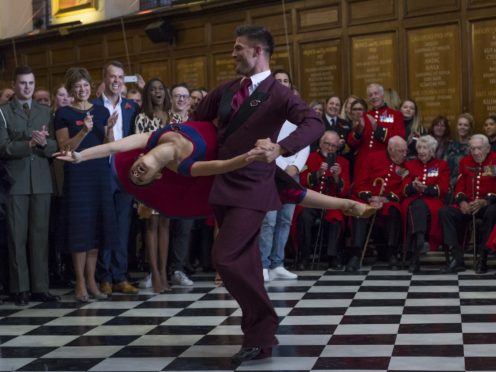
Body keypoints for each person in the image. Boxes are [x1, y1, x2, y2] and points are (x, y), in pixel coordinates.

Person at [192, 24, 325, 363]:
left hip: (254, 186)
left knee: (225, 258)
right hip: (222, 183)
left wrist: (280, 148)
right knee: (247, 263)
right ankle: (259, 339)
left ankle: (264, 320)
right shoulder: (225, 90)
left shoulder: (279, 94)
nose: (233, 53)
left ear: (257, 52)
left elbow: (314, 123)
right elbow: (195, 122)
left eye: (238, 48)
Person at [54, 67, 118, 302]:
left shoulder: (100, 111)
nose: (82, 89)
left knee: (97, 227)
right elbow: (64, 148)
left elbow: (107, 144)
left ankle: (92, 280)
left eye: (86, 85)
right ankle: (80, 282)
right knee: (80, 229)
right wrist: (83, 131)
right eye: (77, 86)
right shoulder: (63, 113)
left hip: (99, 173)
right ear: (71, 89)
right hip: (78, 174)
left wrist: (109, 129)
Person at [0, 66, 59, 306]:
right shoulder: (3, 112)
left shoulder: (46, 111)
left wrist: (44, 144)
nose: (27, 87)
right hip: (16, 182)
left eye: (31, 83)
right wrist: (29, 144)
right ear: (14, 85)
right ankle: (20, 288)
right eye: (23, 83)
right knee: (17, 238)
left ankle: (40, 287)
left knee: (39, 237)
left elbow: (56, 147)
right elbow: (3, 148)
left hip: (42, 182)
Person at [93, 60, 139, 296]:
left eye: (120, 78)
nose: (117, 81)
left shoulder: (131, 107)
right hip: (101, 174)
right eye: (112, 77)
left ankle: (120, 276)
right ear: (104, 78)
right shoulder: (93, 107)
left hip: (124, 174)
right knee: (104, 227)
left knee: (122, 227)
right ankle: (104, 277)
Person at [259, 69, 309, 282]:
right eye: (277, 80)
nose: (281, 83)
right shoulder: (263, 109)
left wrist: (296, 167)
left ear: (290, 85)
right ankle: (262, 264)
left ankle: (277, 264)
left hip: (291, 172)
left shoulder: (296, 110)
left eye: (285, 81)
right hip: (270, 171)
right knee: (268, 220)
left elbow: (304, 140)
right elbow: (264, 142)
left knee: (285, 219)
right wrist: (279, 165)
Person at [133, 78, 173, 293]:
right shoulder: (142, 118)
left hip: (170, 176)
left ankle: (164, 271)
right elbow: (140, 146)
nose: (157, 92)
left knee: (165, 224)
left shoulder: (173, 117)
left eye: (161, 89)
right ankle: (155, 274)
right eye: (153, 89)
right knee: (151, 224)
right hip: (149, 175)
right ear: (147, 94)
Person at [346, 136, 408, 272]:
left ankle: (392, 253)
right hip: (368, 198)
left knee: (394, 211)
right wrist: (370, 198)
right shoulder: (372, 157)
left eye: (405, 151)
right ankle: (356, 254)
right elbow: (360, 181)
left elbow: (403, 187)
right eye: (401, 151)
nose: (404, 154)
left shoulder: (405, 163)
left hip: (388, 200)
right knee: (359, 211)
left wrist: (386, 199)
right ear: (391, 149)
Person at [439, 134, 496, 274]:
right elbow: (460, 186)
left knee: (493, 212)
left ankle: (483, 258)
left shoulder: (495, 160)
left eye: (479, 148)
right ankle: (457, 259)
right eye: (473, 149)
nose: (476, 153)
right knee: (445, 212)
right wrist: (462, 201)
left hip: (488, 205)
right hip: (468, 205)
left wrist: (486, 201)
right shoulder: (465, 162)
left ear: (488, 148)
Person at [296, 130, 349, 270]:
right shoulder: (310, 157)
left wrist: (337, 177)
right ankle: (304, 257)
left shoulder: (343, 162)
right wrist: (318, 173)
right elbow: (301, 182)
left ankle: (332, 257)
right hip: (311, 202)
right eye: (327, 144)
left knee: (336, 217)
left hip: (330, 203)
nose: (330, 148)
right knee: (304, 216)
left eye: (334, 146)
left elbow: (344, 191)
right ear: (320, 143)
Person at [401, 135, 450, 272]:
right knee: (417, 207)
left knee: (419, 208)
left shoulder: (441, 165)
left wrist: (426, 189)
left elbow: (444, 188)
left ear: (432, 150)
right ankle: (420, 242)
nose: (421, 151)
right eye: (419, 148)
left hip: (433, 202)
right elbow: (404, 188)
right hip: (413, 199)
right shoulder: (409, 165)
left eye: (425, 148)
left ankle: (415, 253)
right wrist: (413, 186)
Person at [348, 83, 405, 180]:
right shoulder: (365, 116)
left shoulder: (395, 115)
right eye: (370, 95)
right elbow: (351, 142)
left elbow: (400, 137)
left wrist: (377, 129)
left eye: (376, 93)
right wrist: (360, 129)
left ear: (382, 95)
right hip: (363, 164)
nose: (373, 97)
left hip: (384, 163)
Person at [445, 113, 473, 189]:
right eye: (460, 124)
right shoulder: (450, 144)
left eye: (465, 125)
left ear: (470, 127)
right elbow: (443, 165)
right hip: (448, 184)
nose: (462, 127)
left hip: (465, 185)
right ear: (457, 126)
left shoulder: (473, 146)